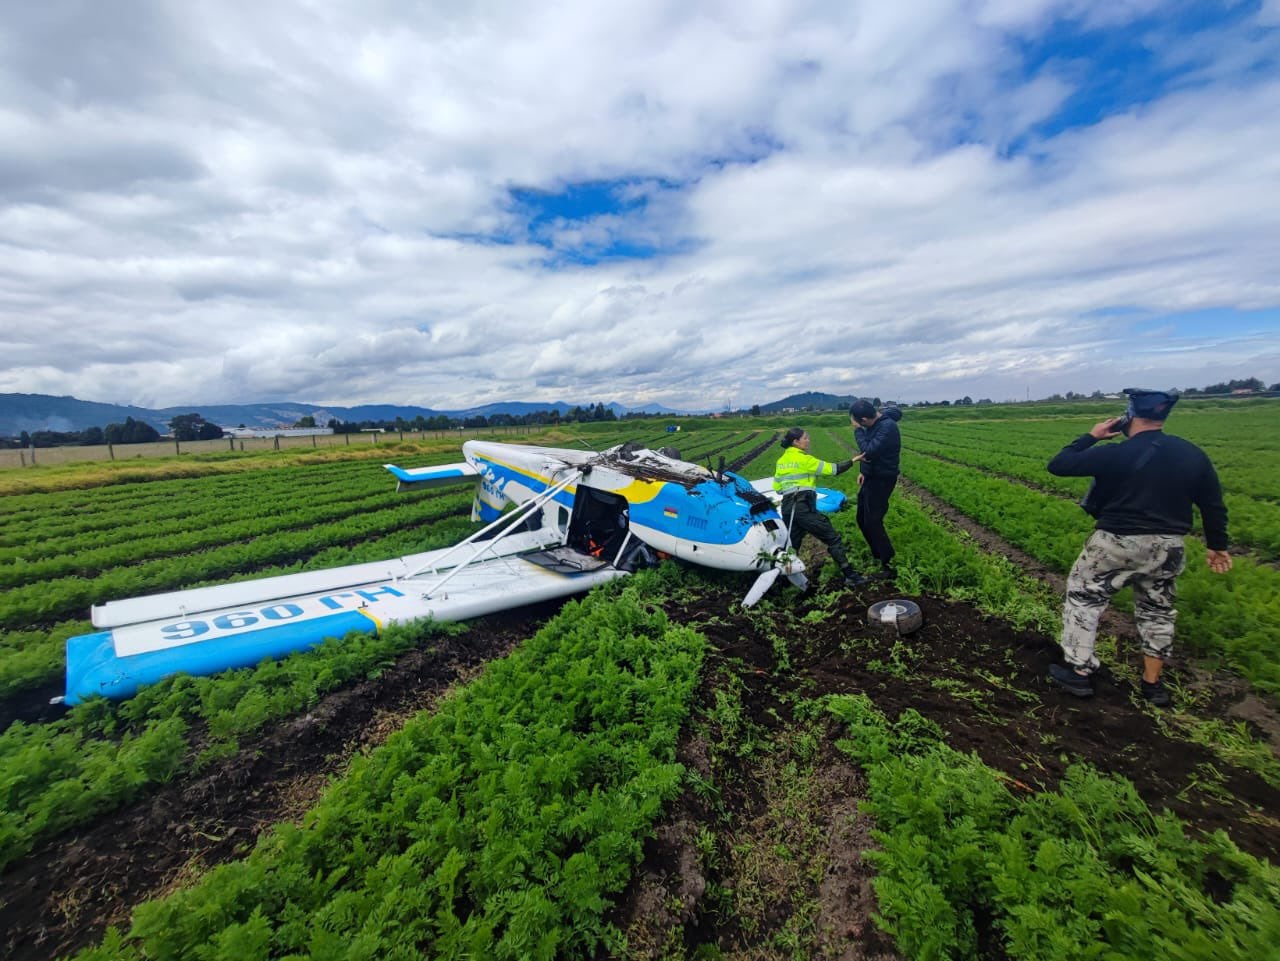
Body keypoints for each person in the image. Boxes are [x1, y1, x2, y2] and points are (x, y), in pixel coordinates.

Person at [1045, 388, 1231, 707]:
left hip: (1116, 541)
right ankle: (1152, 685)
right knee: (1158, 610)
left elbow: (1059, 464)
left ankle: (1079, 671)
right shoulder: (1192, 454)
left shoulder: (1116, 452)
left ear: (1129, 416)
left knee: (1084, 597)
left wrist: (1092, 436)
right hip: (1168, 546)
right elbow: (1213, 505)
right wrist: (1217, 546)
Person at [773, 428, 866, 587]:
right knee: (832, 538)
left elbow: (778, 488)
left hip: (788, 508)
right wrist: (854, 460)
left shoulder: (781, 461)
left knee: (791, 546)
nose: (808, 440)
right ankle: (850, 576)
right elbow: (833, 469)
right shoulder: (805, 459)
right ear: (796, 442)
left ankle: (780, 583)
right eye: (805, 438)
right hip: (802, 507)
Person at [849, 399, 902, 580]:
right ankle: (878, 555)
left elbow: (868, 451)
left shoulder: (887, 428)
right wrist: (863, 471)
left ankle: (888, 564)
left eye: (858, 422)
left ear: (864, 419)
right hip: (871, 476)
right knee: (861, 518)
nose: (858, 425)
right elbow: (868, 458)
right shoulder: (875, 425)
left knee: (872, 520)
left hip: (882, 479)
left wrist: (857, 430)